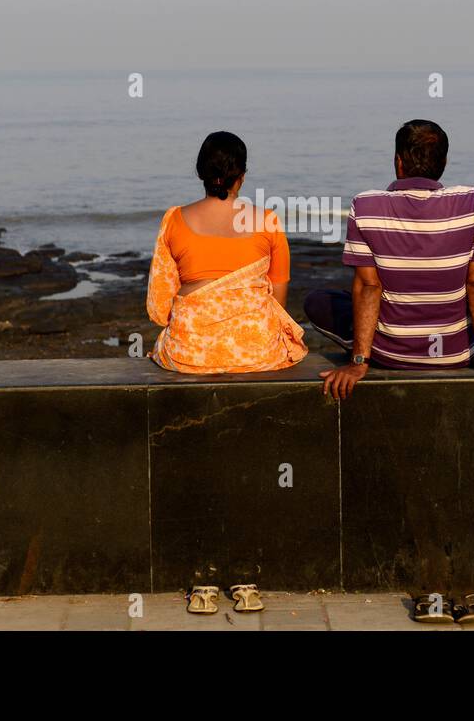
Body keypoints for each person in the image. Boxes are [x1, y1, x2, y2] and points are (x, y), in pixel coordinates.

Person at [303, 119, 474, 624]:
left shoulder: (366, 204)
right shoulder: (470, 201)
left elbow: (367, 288)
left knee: (318, 301)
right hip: (450, 351)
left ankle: (374, 348)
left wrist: (359, 362)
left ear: (398, 163)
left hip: (390, 351)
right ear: (442, 166)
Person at [146, 131, 307, 615]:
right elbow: (277, 304)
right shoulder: (268, 222)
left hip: (191, 355)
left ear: (201, 172)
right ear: (241, 175)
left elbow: (157, 308)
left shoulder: (174, 220)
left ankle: (203, 581)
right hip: (257, 353)